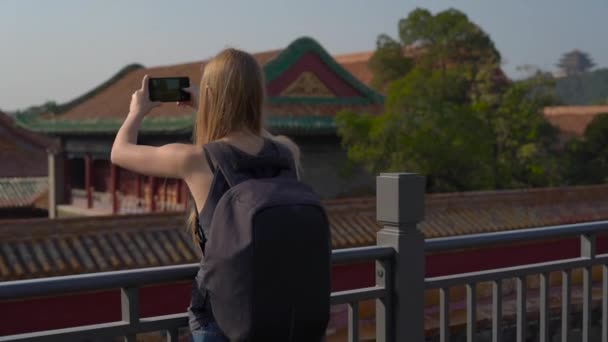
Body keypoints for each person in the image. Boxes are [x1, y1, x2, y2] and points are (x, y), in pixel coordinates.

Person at [111, 48, 303, 342]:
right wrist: (212, 105)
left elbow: (119, 152)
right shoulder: (287, 151)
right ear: (257, 94)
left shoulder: (197, 159)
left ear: (211, 94)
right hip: (281, 312)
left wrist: (137, 112)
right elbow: (256, 141)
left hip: (223, 318)